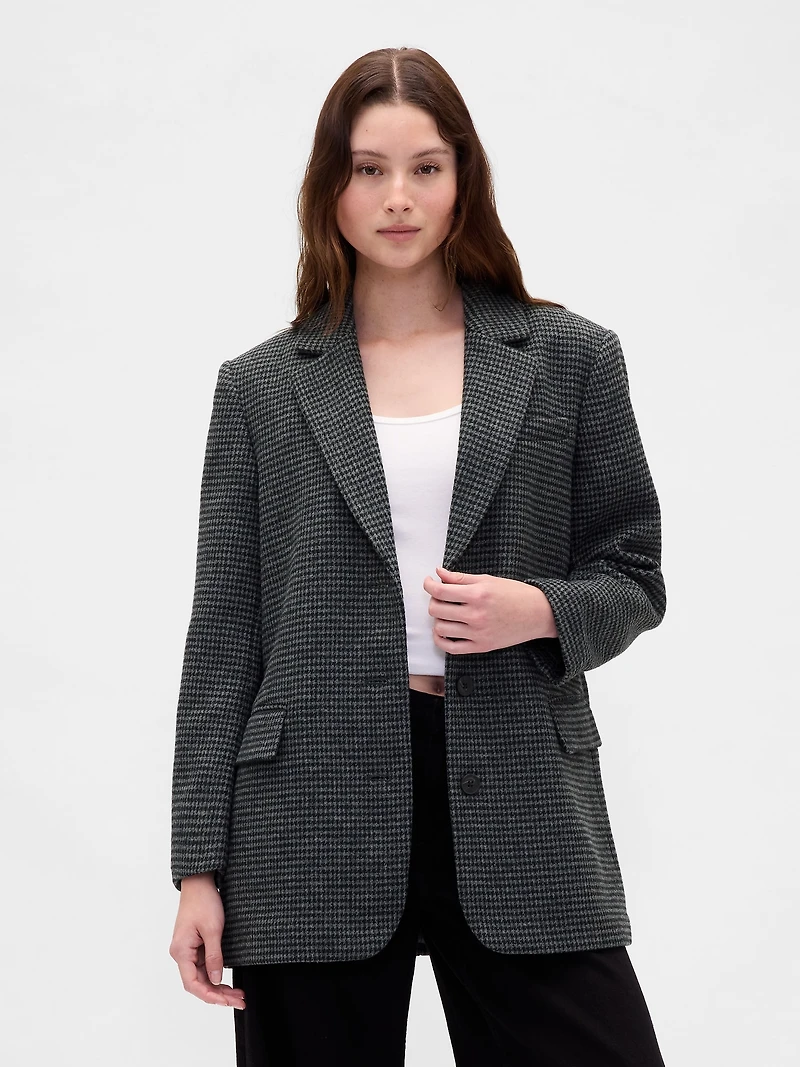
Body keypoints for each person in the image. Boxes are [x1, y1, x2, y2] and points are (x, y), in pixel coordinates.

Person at [169, 46, 668, 1067]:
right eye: (369, 169)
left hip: (520, 789)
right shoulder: (259, 387)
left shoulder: (571, 358)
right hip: (307, 812)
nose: (398, 196)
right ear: (331, 186)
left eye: (425, 167)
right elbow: (223, 637)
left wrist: (536, 609)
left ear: (461, 179)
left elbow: (633, 571)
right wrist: (198, 867)